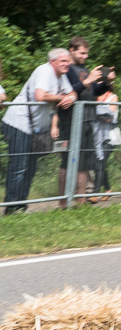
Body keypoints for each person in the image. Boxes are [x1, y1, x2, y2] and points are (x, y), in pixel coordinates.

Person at [2, 49, 75, 214]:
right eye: (63, 61)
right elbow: (40, 96)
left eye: (68, 61)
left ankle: (21, 205)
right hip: (18, 124)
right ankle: (11, 207)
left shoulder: (61, 76)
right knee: (19, 167)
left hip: (34, 129)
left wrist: (70, 98)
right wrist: (60, 98)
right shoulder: (44, 71)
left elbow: (72, 93)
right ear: (53, 62)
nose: (67, 64)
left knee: (30, 169)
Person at [57, 37, 114, 206]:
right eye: (82, 53)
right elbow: (70, 91)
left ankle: (80, 201)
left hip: (89, 119)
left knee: (84, 163)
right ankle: (62, 202)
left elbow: (94, 91)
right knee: (67, 161)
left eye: (87, 53)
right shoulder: (66, 69)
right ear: (72, 50)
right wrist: (88, 80)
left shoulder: (84, 69)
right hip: (71, 120)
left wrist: (108, 81)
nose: (85, 56)